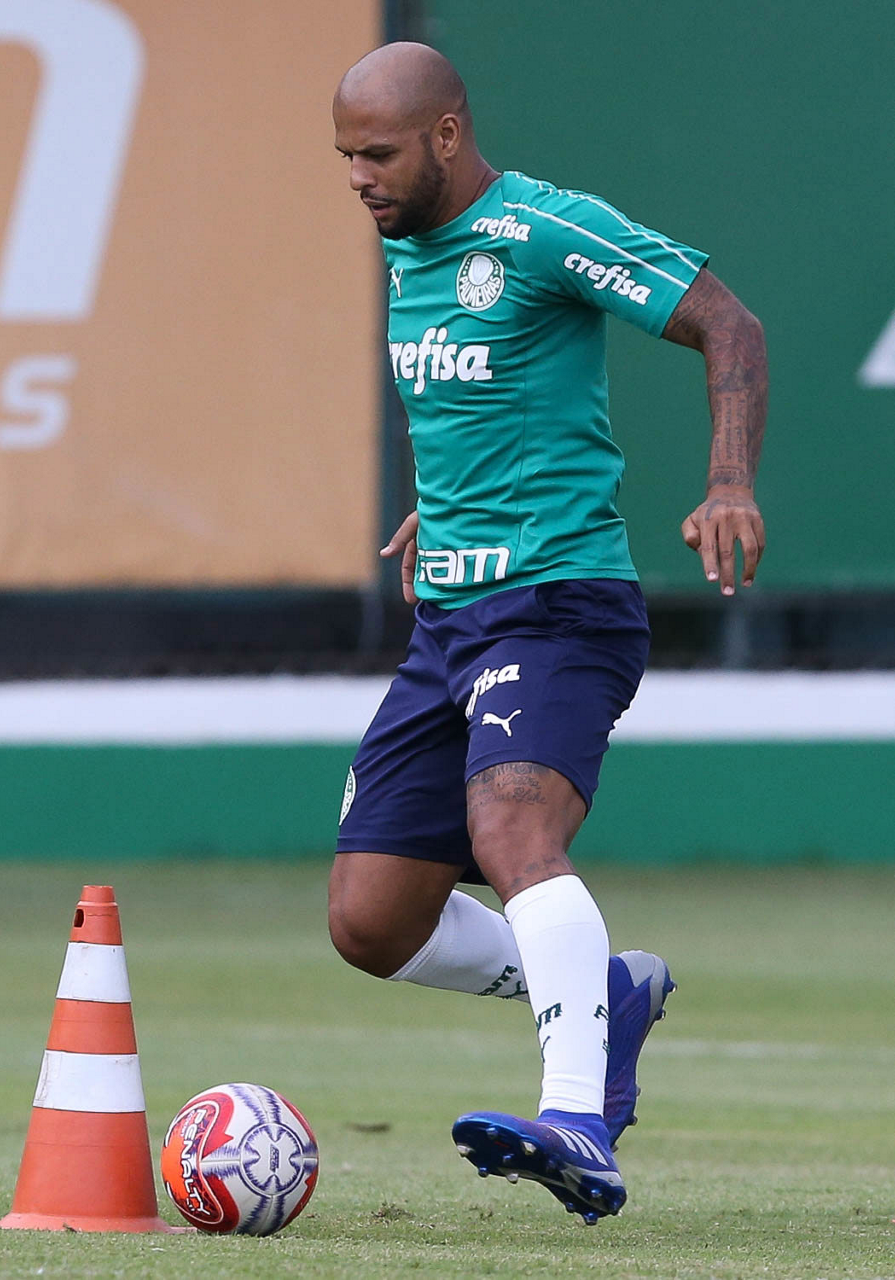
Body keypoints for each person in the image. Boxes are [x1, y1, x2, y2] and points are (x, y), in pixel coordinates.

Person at [328, 42, 767, 1225]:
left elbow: (729, 324)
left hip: (559, 603)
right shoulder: (406, 244)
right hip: (447, 622)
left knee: (512, 824)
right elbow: (484, 397)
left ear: (448, 135)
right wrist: (447, 505)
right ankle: (602, 993)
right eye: (346, 157)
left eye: (378, 153)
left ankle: (576, 1117)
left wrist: (728, 480)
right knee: (371, 919)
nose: (359, 177)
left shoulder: (543, 230)